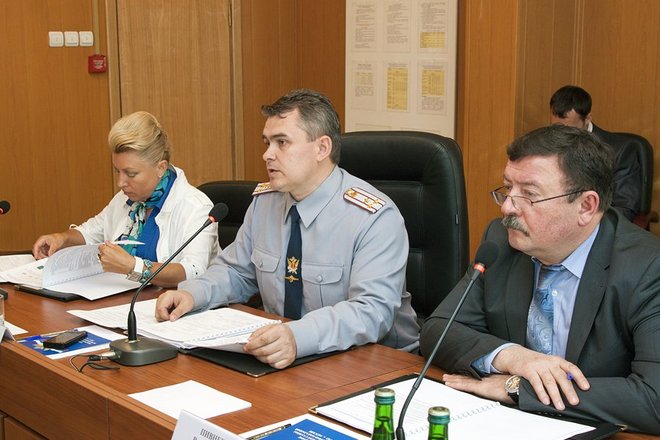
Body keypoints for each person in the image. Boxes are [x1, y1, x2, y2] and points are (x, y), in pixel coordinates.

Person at [419, 125, 660, 434]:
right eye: (508, 188)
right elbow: (438, 329)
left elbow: (653, 398)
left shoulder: (647, 268)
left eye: (529, 195)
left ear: (586, 206)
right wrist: (513, 357)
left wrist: (519, 388)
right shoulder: (503, 241)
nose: (507, 207)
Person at [155, 89, 419, 369]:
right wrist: (192, 294)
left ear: (322, 148)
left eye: (282, 142)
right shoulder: (265, 203)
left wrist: (298, 337)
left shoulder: (373, 217)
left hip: (373, 363)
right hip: (282, 357)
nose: (267, 155)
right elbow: (236, 272)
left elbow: (371, 311)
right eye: (267, 143)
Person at [32, 111, 218, 288]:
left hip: (174, 305)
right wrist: (61, 238)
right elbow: (90, 233)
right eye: (117, 171)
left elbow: (194, 270)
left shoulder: (196, 206)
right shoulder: (126, 199)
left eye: (131, 173)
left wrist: (133, 266)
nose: (121, 182)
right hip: (123, 301)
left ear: (160, 168)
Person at [549, 85, 641, 221]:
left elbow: (625, 208)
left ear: (588, 118)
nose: (562, 134)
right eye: (556, 128)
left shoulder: (620, 150)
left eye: (570, 129)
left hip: (593, 223)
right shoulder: (548, 144)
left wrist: (583, 224)